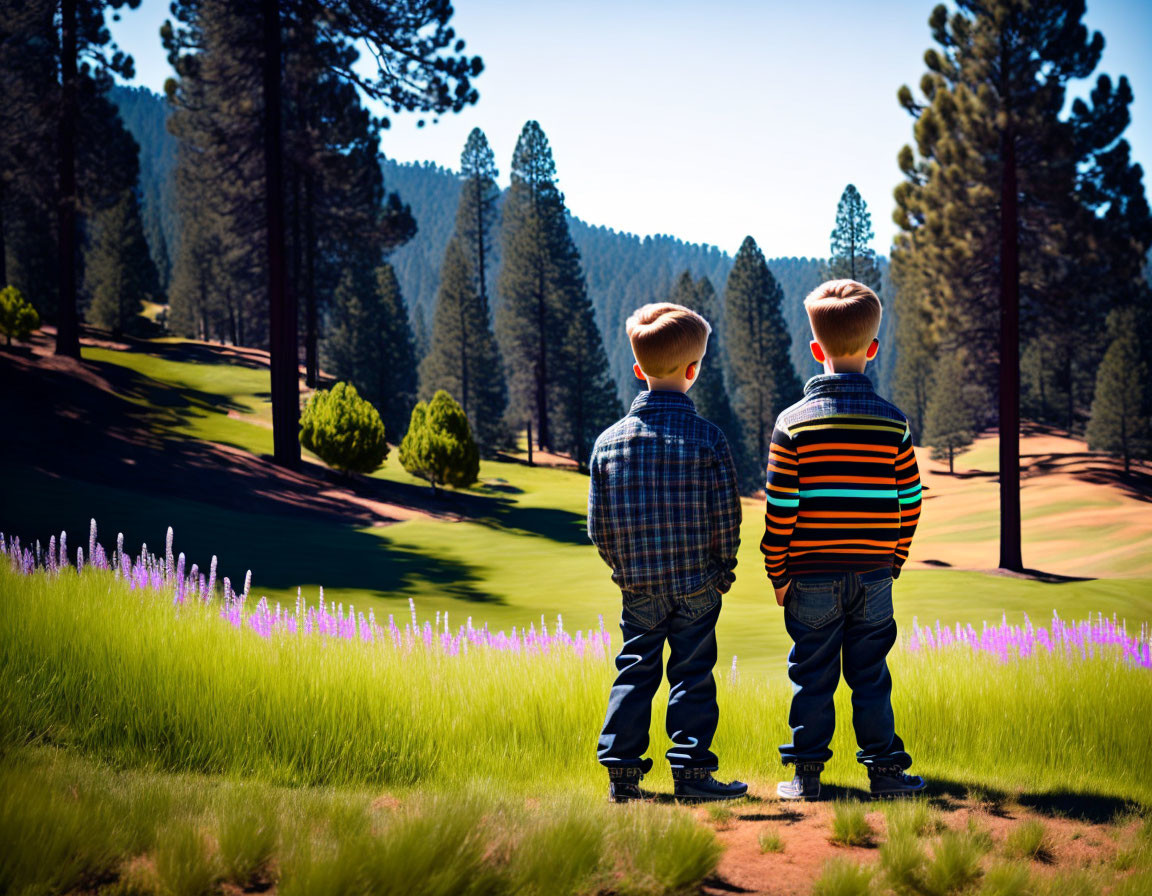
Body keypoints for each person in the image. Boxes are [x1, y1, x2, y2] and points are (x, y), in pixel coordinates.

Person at [762, 279, 925, 801]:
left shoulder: (792, 425)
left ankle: (806, 777)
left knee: (812, 675)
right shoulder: (894, 424)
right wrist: (894, 560)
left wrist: (778, 573)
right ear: (873, 349)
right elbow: (911, 502)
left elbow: (780, 510)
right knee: (871, 674)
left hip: (810, 576)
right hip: (876, 575)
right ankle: (885, 773)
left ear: (816, 350)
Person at [588, 302, 747, 802]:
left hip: (639, 586)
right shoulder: (708, 439)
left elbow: (600, 528)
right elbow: (727, 517)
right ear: (694, 370)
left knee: (634, 672)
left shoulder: (608, 444)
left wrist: (623, 571)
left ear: (638, 370)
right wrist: (722, 573)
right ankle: (693, 775)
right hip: (697, 584)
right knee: (693, 677)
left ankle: (623, 778)